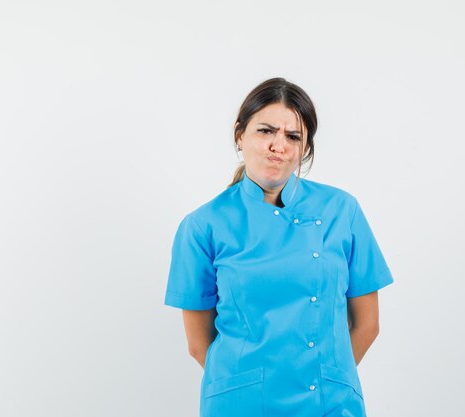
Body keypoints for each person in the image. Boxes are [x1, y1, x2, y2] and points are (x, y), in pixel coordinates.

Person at [163, 77, 395, 417]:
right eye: (266, 131)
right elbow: (199, 346)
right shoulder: (202, 226)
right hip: (240, 406)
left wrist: (325, 376)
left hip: (329, 405)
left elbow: (368, 325)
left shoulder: (341, 211)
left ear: (305, 148)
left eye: (293, 136)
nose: (278, 145)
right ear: (240, 135)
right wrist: (249, 384)